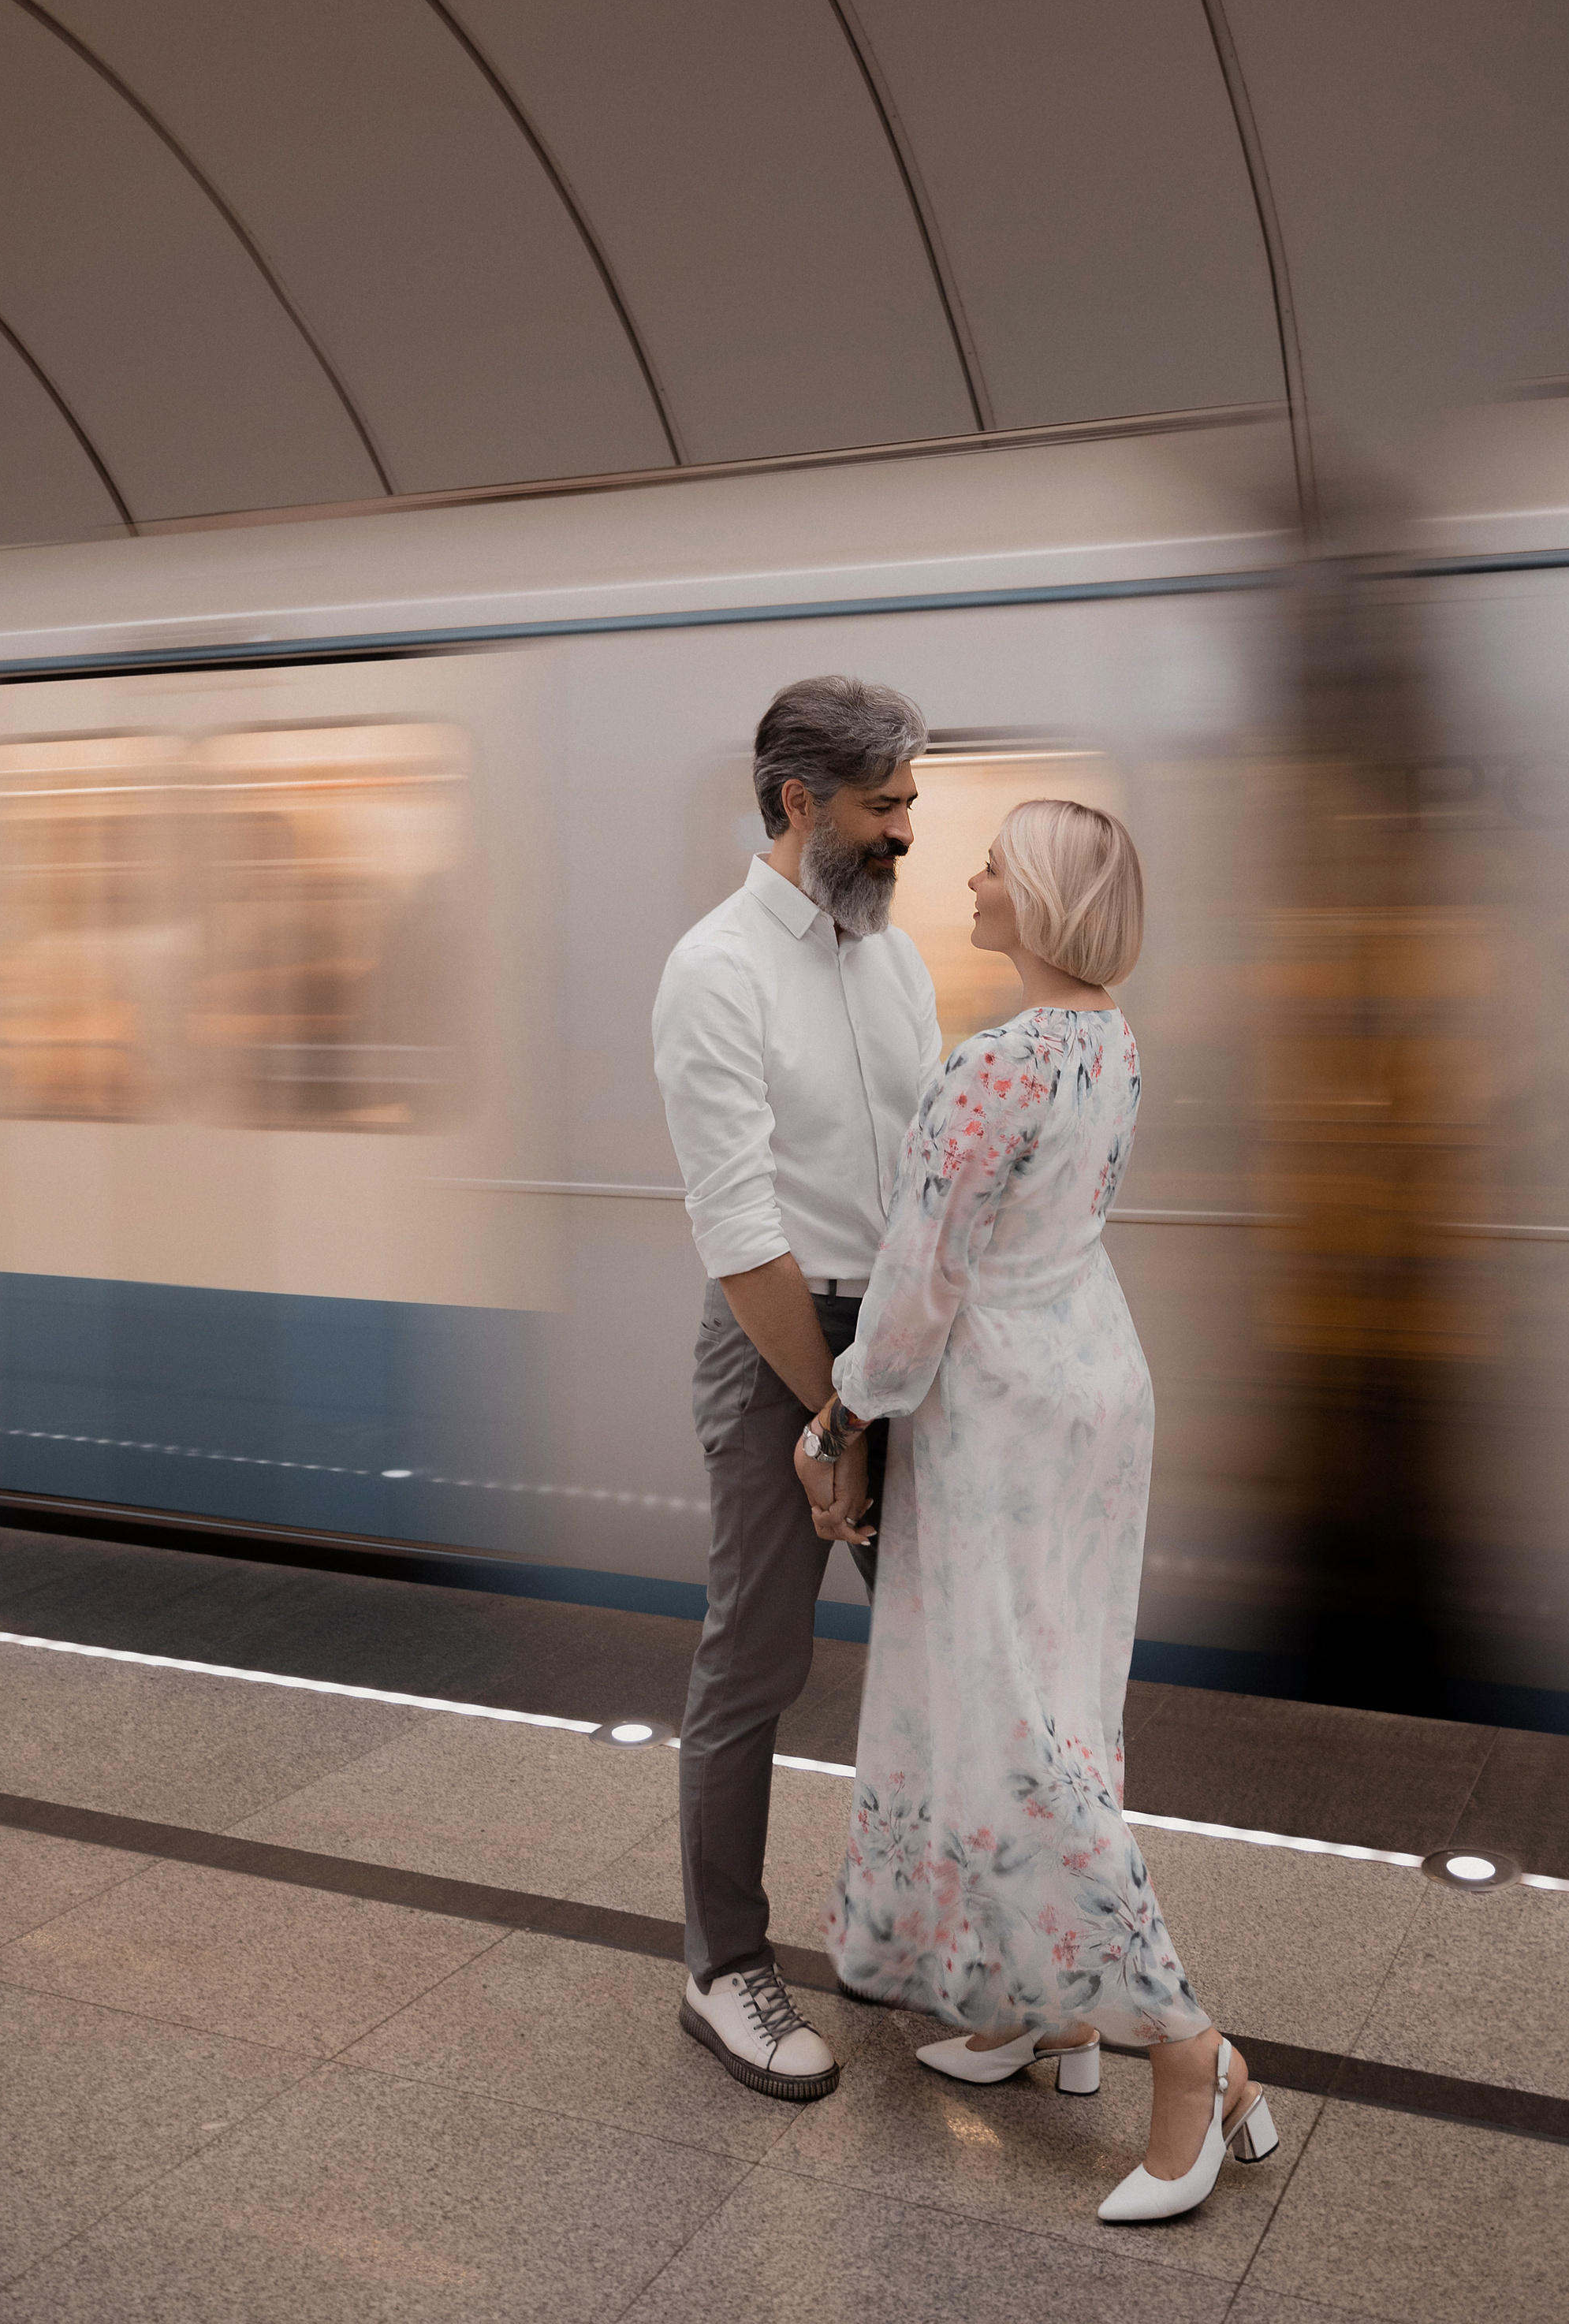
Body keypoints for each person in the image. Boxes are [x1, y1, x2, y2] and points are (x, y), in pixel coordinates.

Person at [799, 799, 1276, 2221]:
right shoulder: (1112, 1043)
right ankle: (1044, 2017)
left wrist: (838, 1418)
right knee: (1056, 1700)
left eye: (998, 863)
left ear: (1048, 899)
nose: (975, 876)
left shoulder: (991, 1069)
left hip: (1000, 1418)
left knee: (1013, 1735)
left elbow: (916, 1289)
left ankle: (1194, 2055)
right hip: (1095, 1390)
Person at [653, 674, 941, 2102]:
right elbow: (741, 1231)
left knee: (942, 1659)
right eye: (884, 807)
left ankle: (934, 1954)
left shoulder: (895, 961)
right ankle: (724, 1970)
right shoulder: (714, 972)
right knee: (755, 1663)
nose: (906, 834)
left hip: (895, 1351)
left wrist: (894, 1379)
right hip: (779, 1350)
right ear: (797, 805)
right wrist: (828, 1412)